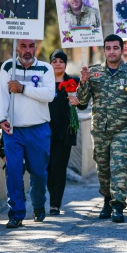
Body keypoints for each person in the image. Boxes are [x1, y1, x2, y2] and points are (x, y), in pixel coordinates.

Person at [77, 34, 127, 223]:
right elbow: (82, 102)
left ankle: (118, 205)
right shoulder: (93, 73)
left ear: (121, 49)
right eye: (108, 48)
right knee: (103, 168)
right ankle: (107, 199)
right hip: (100, 129)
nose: (112, 52)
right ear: (104, 50)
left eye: (115, 48)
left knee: (119, 166)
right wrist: (83, 83)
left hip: (124, 129)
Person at [0, 39, 55, 228]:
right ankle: (16, 213)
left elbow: (48, 95)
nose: (27, 51)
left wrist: (23, 88)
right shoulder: (8, 67)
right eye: (23, 46)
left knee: (38, 172)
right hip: (13, 129)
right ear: (16, 48)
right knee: (13, 170)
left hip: (38, 128)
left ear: (36, 47)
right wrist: (1, 118)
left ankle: (38, 205)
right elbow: (2, 95)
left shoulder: (45, 69)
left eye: (31, 46)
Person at [47, 50, 88, 216]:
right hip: (45, 132)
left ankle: (55, 203)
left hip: (65, 132)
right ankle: (51, 196)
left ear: (65, 63)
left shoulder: (74, 81)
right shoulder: (44, 82)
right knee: (47, 168)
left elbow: (84, 105)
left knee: (59, 168)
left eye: (61, 61)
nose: (58, 64)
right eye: (54, 60)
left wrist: (78, 98)